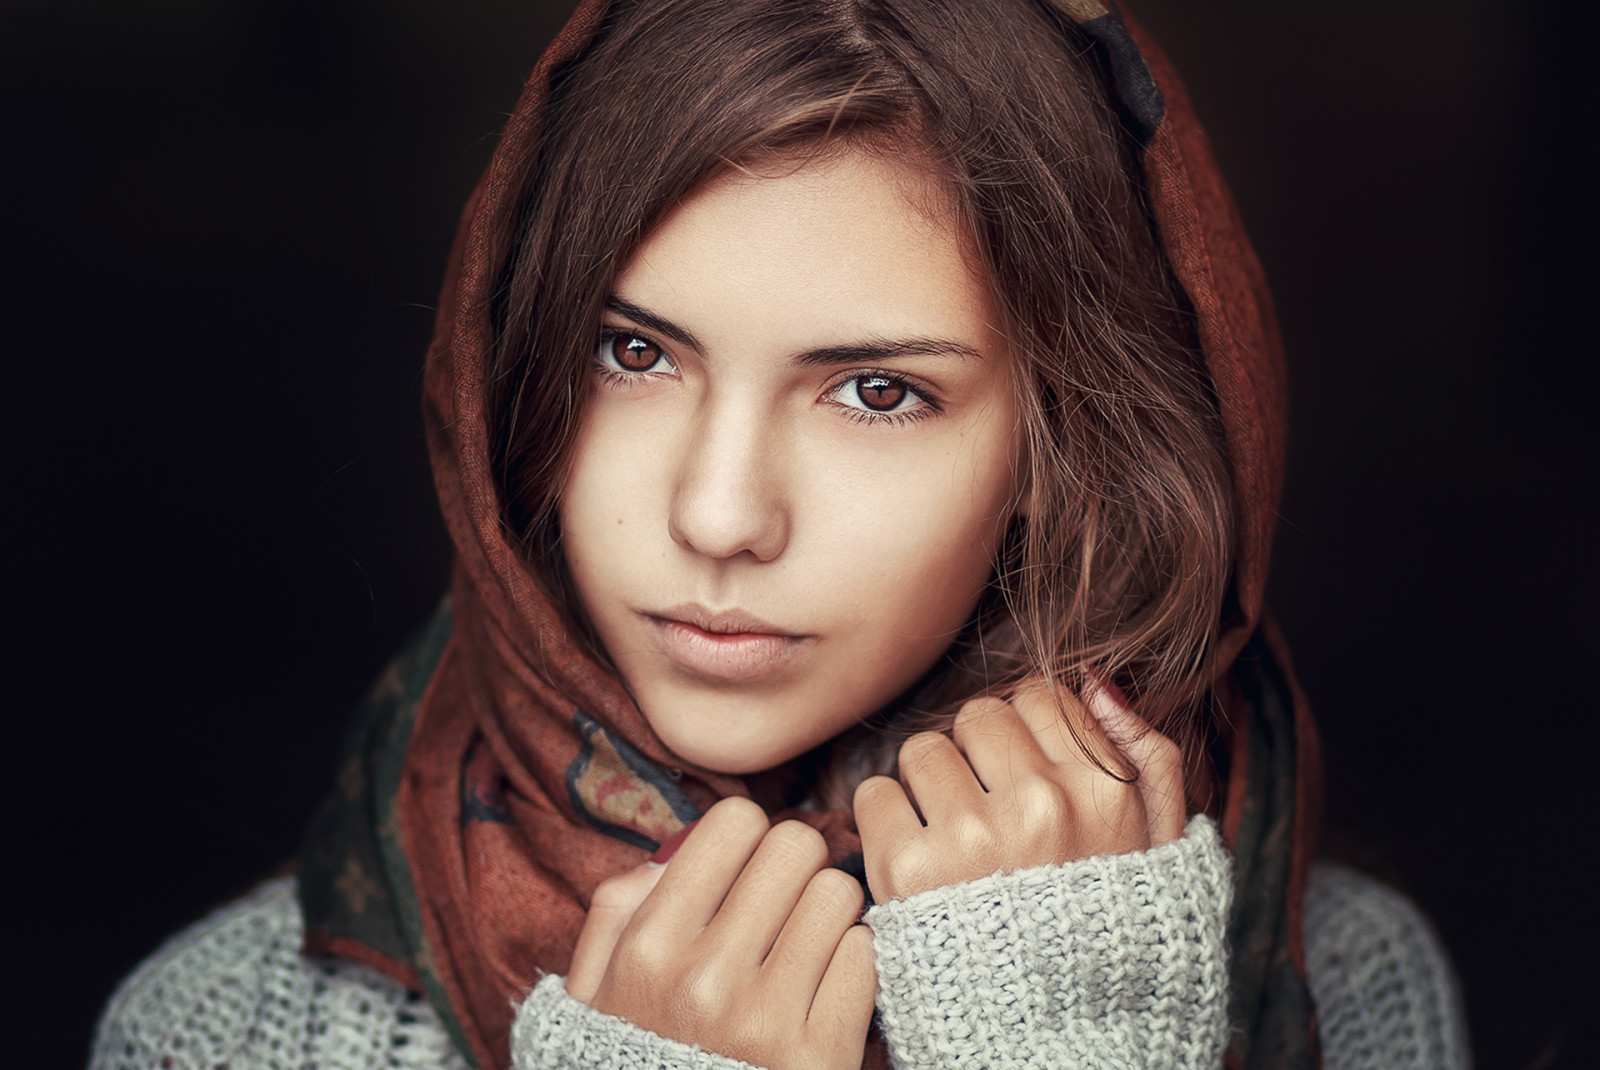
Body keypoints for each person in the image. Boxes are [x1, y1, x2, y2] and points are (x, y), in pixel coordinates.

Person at [90, 0, 1469, 1067]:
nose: (718, 513)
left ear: (1061, 449)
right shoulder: (229, 1028)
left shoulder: (1349, 984)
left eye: (878, 390)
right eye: (632, 352)